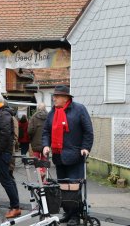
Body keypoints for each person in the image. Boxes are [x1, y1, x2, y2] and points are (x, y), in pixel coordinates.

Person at [42, 85, 93, 226]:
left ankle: (75, 216)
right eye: (54, 96)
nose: (54, 98)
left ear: (66, 98)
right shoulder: (53, 112)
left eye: (57, 96)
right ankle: (67, 213)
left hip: (75, 156)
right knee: (63, 187)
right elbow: (46, 131)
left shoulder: (79, 109)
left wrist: (85, 148)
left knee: (73, 188)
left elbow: (88, 131)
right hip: (59, 157)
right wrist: (46, 145)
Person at [28, 103, 48, 178]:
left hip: (35, 141)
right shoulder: (49, 116)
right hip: (46, 142)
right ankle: (43, 171)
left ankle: (39, 171)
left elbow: (30, 130)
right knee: (44, 158)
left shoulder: (33, 117)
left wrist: (31, 137)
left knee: (36, 158)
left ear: (37, 108)